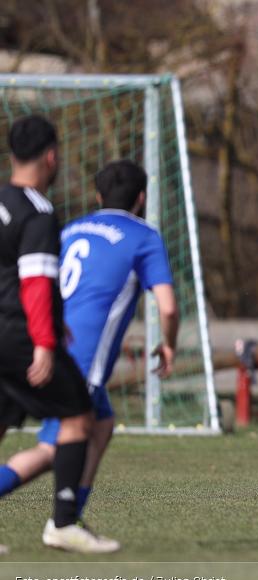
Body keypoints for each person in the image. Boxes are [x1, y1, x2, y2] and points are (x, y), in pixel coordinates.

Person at [0, 159, 178, 527]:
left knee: (103, 423)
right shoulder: (143, 236)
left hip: (40, 339)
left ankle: (71, 518)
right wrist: (168, 343)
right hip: (82, 355)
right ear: (141, 198)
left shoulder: (71, 228)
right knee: (54, 448)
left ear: (98, 195)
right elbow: (169, 308)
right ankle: (63, 524)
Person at [0, 115, 118, 552]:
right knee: (78, 417)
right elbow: (33, 283)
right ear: (51, 157)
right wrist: (46, 343)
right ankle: (64, 522)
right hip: (19, 334)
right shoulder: (39, 212)